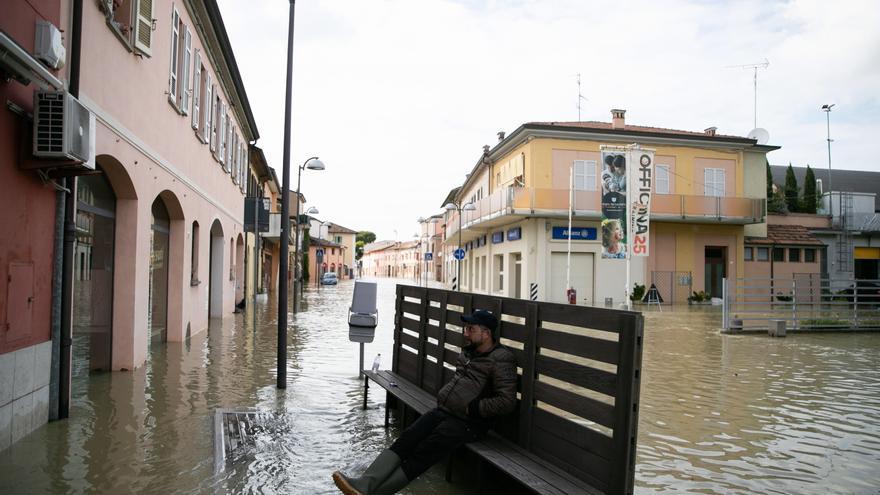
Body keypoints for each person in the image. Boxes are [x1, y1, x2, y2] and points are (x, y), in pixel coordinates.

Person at [332, 309, 517, 495]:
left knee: (424, 452)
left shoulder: (501, 359)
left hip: (470, 422)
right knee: (407, 438)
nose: (465, 333)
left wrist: (473, 408)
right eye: (465, 328)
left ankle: (374, 493)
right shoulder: (468, 353)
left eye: (470, 329)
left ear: (486, 333)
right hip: (445, 411)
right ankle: (364, 484)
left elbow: (507, 401)